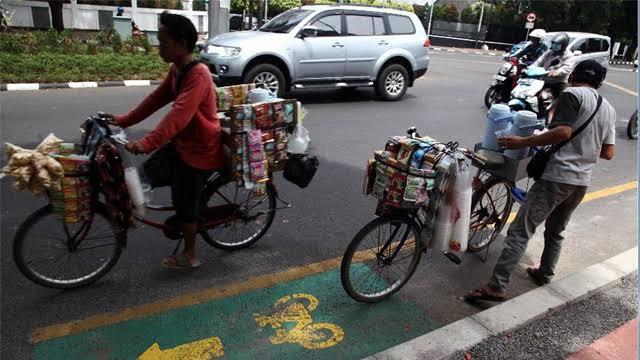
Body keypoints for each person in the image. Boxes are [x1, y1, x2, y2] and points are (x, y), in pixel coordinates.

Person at [465, 60, 616, 302]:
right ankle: (545, 273)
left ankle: (497, 286)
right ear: (599, 82)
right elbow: (608, 152)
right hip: (580, 182)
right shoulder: (609, 108)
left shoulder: (572, 94)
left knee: (520, 231)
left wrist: (521, 142)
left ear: (574, 75)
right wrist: (583, 148)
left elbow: (564, 132)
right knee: (556, 230)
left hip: (557, 177)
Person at [104, 12, 223, 270]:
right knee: (147, 173)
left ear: (181, 44)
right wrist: (122, 120)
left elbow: (178, 115)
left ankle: (190, 255)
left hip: (201, 151)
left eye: (163, 41)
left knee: (185, 205)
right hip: (183, 145)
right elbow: (155, 101)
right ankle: (159, 215)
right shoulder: (177, 70)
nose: (159, 46)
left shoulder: (198, 74)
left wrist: (147, 142)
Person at [531, 32, 576, 98]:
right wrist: (530, 68)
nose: (555, 45)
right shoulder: (549, 52)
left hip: (559, 82)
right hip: (544, 80)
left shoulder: (568, 55)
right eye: (554, 43)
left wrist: (557, 72)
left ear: (563, 45)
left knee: (562, 98)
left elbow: (567, 67)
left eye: (558, 44)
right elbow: (539, 61)